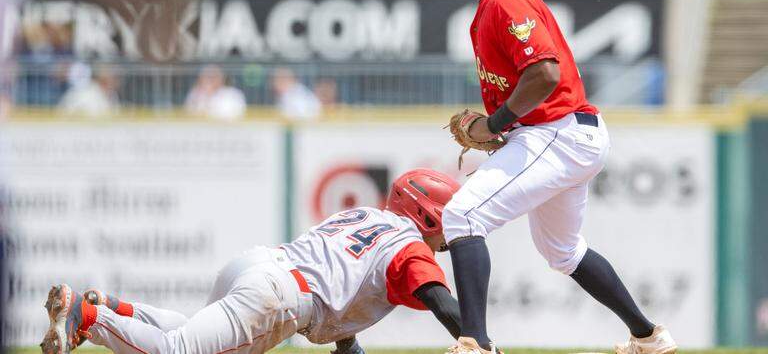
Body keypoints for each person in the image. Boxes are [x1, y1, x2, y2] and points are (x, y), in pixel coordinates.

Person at [434, 0, 677, 354]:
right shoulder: (493, 2)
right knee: (562, 251)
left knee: (464, 217)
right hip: (566, 132)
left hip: (558, 131)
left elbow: (545, 75)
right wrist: (506, 125)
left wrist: (494, 125)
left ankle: (476, 344)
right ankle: (649, 337)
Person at [40, 169, 466, 354]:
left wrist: (347, 342)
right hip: (282, 298)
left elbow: (342, 282)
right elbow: (441, 301)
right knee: (181, 351)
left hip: (260, 266)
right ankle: (90, 316)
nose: (450, 227)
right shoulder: (409, 245)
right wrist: (479, 340)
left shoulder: (365, 216)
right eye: (446, 215)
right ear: (426, 213)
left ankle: (118, 308)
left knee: (192, 331)